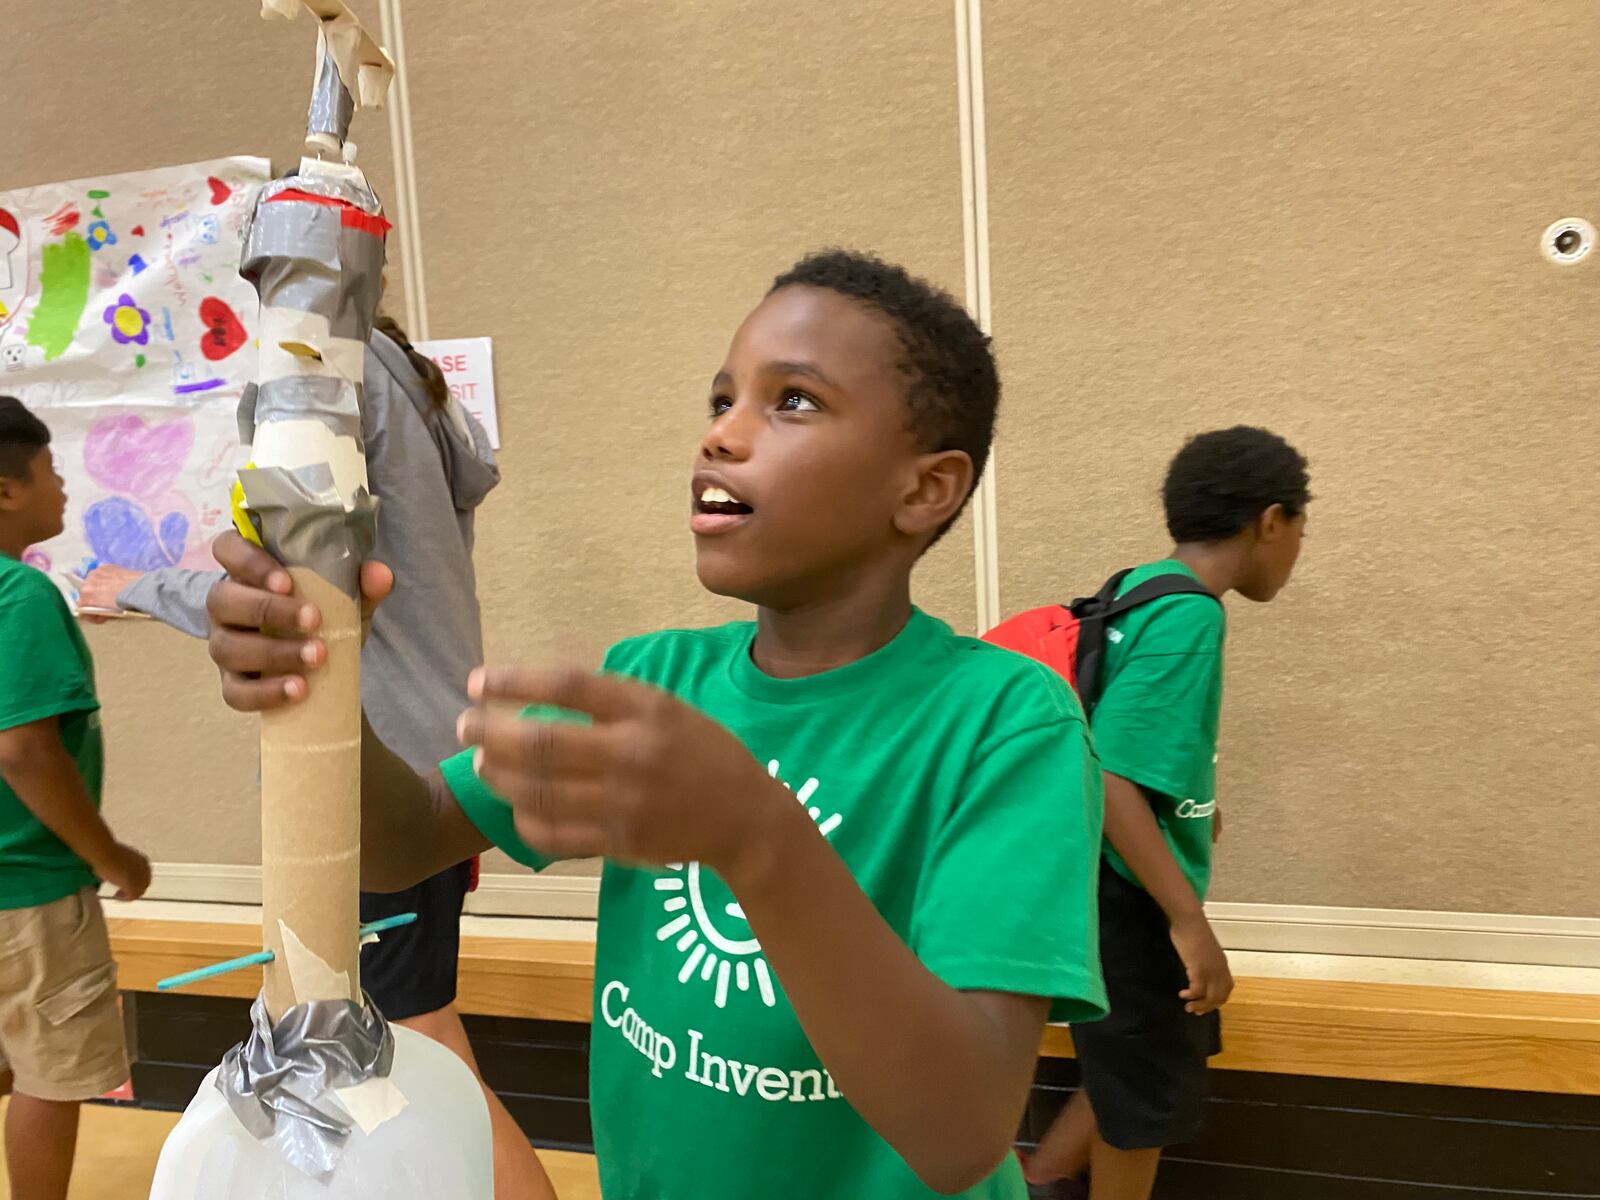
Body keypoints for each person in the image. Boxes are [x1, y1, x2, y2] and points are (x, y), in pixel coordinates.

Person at [202, 250, 1109, 1198]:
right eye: (722, 400)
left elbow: (961, 1135)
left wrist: (754, 834)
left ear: (926, 488)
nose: (723, 435)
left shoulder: (1007, 724)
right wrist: (313, 668)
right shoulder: (654, 677)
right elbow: (403, 843)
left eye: (792, 401)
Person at [76, 320, 558, 1200]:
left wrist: (141, 585)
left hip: (381, 795)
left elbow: (291, 593)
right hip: (434, 769)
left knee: (416, 1033)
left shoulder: (330, 366)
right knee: (415, 1031)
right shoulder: (420, 409)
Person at [1021, 426, 1311, 1200]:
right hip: (1131, 902)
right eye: (1300, 532)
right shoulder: (1191, 617)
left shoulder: (1137, 588)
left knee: (1136, 1063)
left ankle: (1043, 1177)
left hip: (1093, 885)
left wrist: (1193, 812)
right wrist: (1188, 921)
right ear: (1272, 521)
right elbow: (1112, 777)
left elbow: (1127, 745)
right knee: (1142, 1104)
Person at [0, 396, 151, 1200]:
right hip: (30, 888)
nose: (64, 488)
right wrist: (109, 856)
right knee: (50, 1072)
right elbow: (23, 749)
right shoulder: (20, 596)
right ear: (6, 490)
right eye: (53, 471)